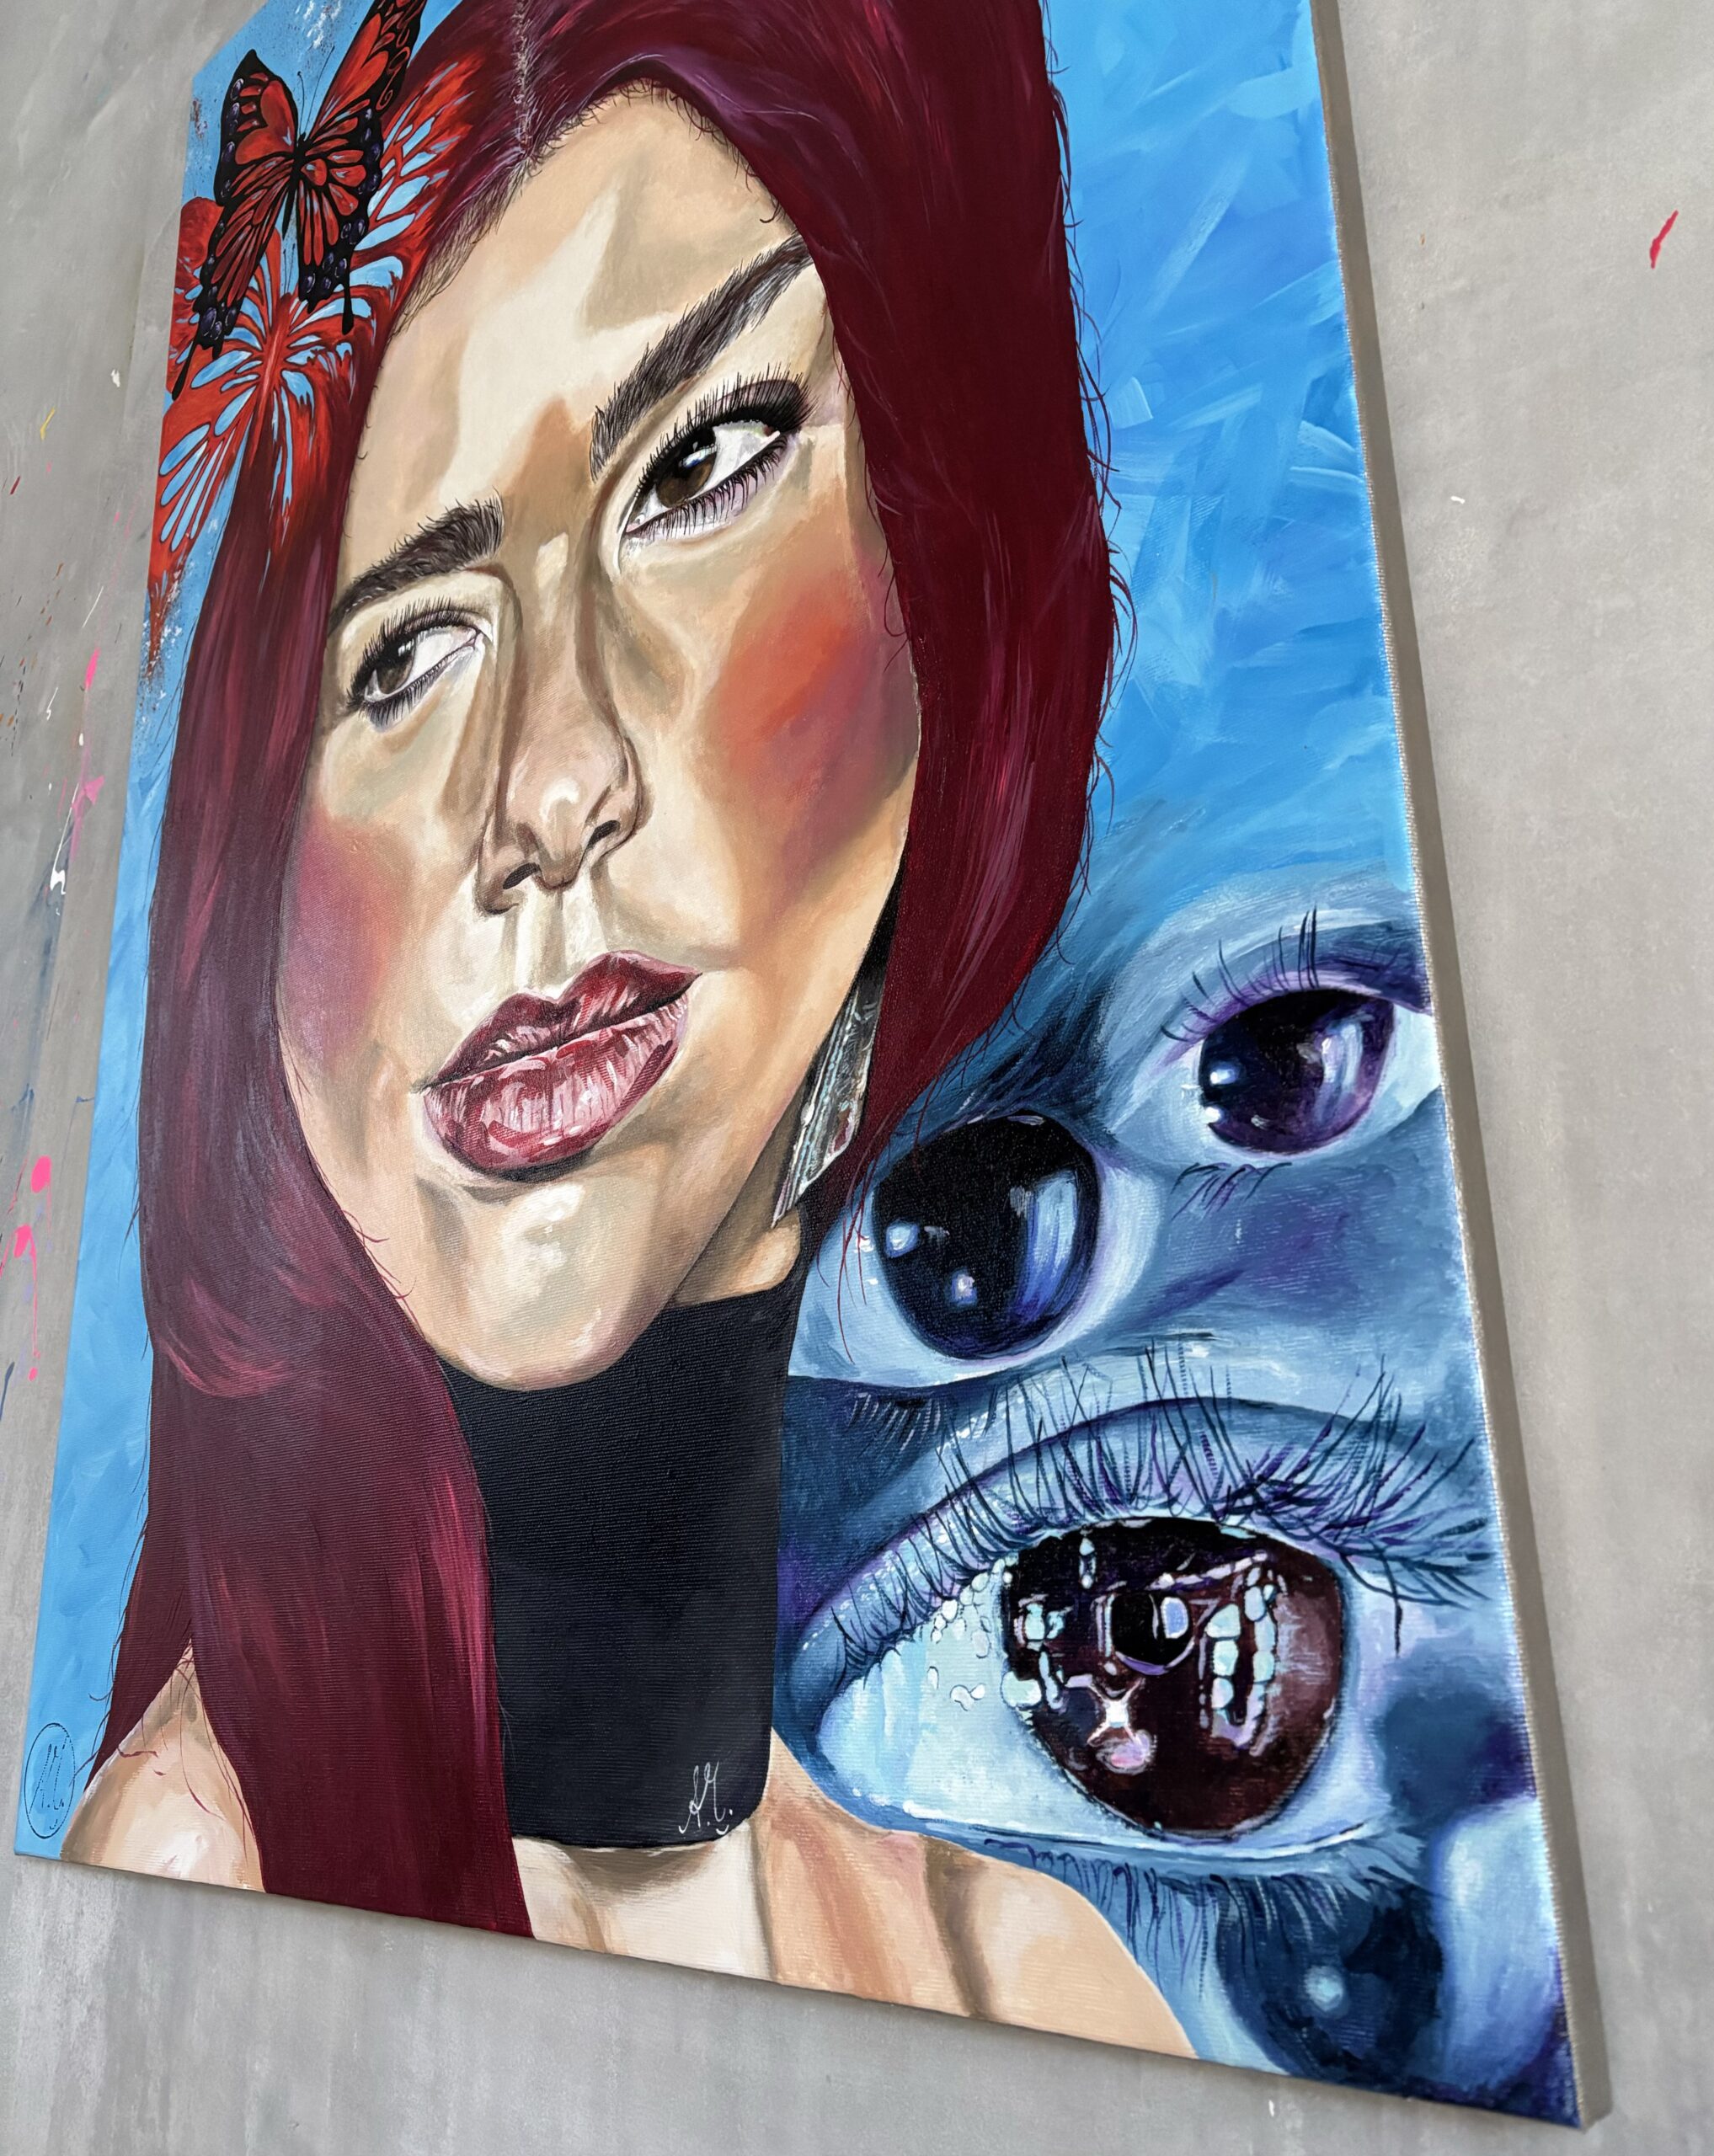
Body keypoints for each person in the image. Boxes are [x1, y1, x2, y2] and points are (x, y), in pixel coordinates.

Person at [65, 0, 1185, 2049]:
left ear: (952, 543)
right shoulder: (191, 1892)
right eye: (402, 652)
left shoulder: (1026, 1979)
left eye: (701, 468)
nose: (549, 783)